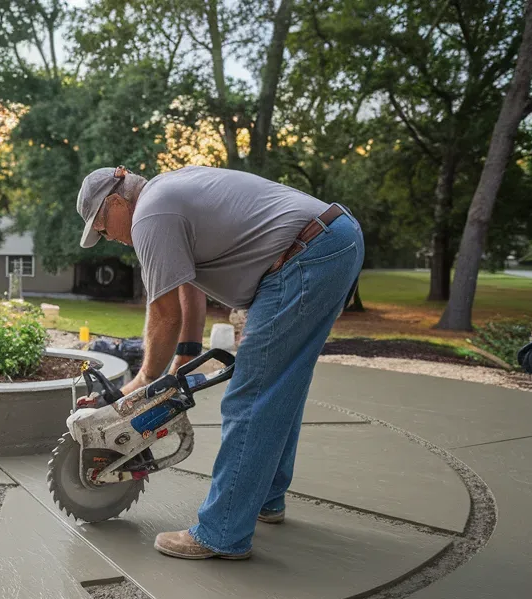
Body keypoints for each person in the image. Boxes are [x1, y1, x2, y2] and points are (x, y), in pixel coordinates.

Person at [76, 164, 364, 560]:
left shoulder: (150, 215)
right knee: (281, 386)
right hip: (330, 241)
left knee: (250, 397)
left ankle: (222, 531)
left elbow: (164, 315)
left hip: (305, 255)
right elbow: (187, 289)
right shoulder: (165, 197)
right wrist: (185, 357)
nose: (109, 237)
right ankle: (266, 498)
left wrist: (143, 378)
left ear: (115, 202)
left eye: (103, 226)